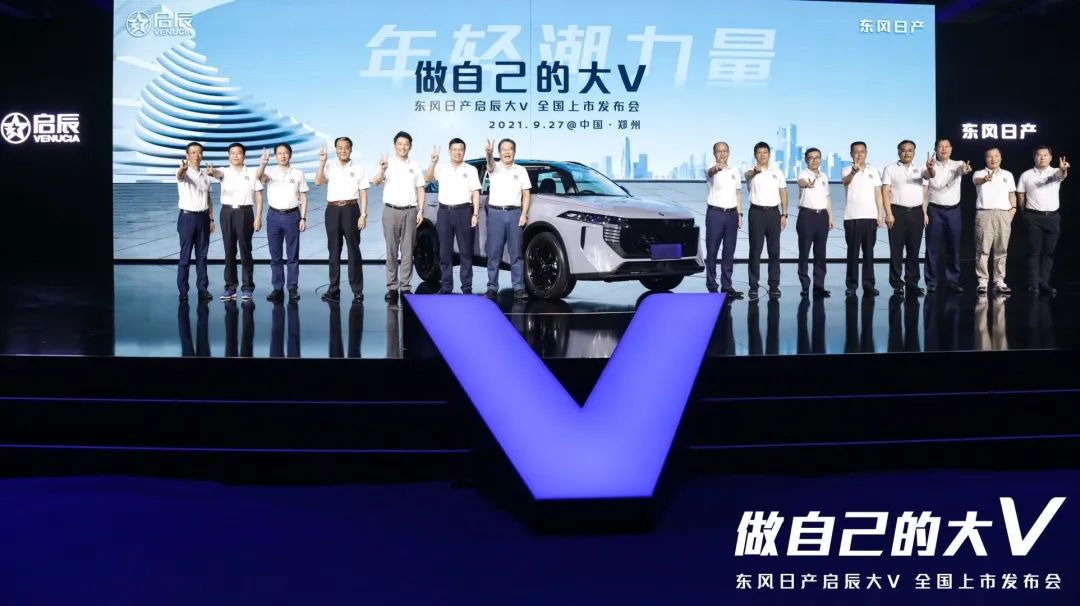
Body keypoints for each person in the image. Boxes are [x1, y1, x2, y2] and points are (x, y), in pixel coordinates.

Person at [372, 131, 426, 302]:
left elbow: (420, 189)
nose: (403, 147)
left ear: (410, 146)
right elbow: (376, 182)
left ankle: (405, 287)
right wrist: (382, 169)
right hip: (391, 211)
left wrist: (420, 210)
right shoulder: (387, 164)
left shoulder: (415, 165)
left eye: (406, 144)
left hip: (410, 211)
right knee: (391, 250)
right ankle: (392, 287)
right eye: (400, 144)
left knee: (408, 251)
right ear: (395, 145)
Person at [314, 137, 369, 303]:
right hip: (332, 210)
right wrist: (322, 162)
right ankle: (333, 289)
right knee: (333, 251)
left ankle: (357, 290)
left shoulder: (358, 168)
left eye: (346, 147)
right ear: (336, 149)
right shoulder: (329, 165)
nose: (343, 150)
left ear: (351, 149)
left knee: (353, 250)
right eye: (339, 147)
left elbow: (363, 193)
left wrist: (363, 215)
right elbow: (318, 182)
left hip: (351, 210)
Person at [207, 143, 263, 300]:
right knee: (229, 251)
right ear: (228, 156)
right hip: (227, 212)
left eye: (239, 153)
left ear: (244, 155)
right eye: (232, 153)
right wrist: (212, 171)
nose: (236, 155)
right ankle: (230, 288)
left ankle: (247, 288)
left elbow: (259, 196)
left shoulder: (252, 172)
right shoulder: (224, 172)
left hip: (245, 212)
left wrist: (258, 217)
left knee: (245, 250)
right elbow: (216, 173)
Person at [425, 138, 481, 294]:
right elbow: (428, 178)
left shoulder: (471, 170)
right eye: (455, 149)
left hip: (464, 212)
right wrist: (433, 162)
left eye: (460, 149)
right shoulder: (441, 168)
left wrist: (475, 213)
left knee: (465, 252)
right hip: (444, 212)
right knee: (444, 252)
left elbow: (476, 192)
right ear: (449, 151)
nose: (458, 152)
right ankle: (446, 286)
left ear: (464, 151)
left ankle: (467, 287)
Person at [257, 143, 309, 302]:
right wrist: (263, 164)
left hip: (292, 216)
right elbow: (259, 178)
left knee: (292, 255)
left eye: (285, 153)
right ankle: (277, 288)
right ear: (275, 156)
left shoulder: (298, 173)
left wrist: (303, 217)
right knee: (275, 256)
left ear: (290, 155)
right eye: (279, 153)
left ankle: (292, 288)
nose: (283, 156)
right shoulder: (270, 172)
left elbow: (303, 196)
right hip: (273, 216)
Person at [1017, 147, 1069, 296]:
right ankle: (1033, 284)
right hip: (1033, 217)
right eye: (1039, 155)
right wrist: (1025, 213)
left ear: (1050, 157)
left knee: (1049, 252)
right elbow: (1020, 194)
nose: (1042, 158)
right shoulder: (1026, 175)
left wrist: (1063, 170)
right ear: (1034, 157)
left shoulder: (1055, 172)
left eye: (1046, 155)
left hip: (1052, 217)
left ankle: (1044, 283)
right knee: (1034, 252)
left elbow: (1061, 175)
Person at [923, 138, 972, 294]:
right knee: (931, 248)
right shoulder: (929, 165)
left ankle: (953, 281)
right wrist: (930, 168)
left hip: (953, 211)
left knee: (954, 247)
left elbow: (963, 170)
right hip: (934, 210)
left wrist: (966, 169)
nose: (943, 149)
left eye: (946, 146)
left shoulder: (958, 164)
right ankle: (931, 282)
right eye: (940, 146)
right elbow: (928, 176)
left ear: (951, 149)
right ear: (935, 149)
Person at [484, 138, 531, 300]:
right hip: (496, 214)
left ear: (514, 152)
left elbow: (526, 194)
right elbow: (490, 164)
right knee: (493, 253)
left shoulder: (521, 170)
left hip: (515, 214)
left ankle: (519, 287)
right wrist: (488, 154)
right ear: (499, 152)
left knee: (516, 253)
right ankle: (492, 288)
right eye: (503, 149)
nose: (506, 152)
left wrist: (524, 214)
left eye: (509, 149)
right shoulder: (494, 167)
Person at [881, 140, 928, 296]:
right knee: (896, 251)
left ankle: (912, 283)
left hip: (917, 212)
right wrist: (888, 213)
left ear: (914, 152)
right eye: (904, 150)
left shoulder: (921, 169)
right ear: (898, 152)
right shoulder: (890, 168)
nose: (907, 153)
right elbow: (885, 191)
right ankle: (896, 283)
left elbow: (925, 192)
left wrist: (925, 212)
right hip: (897, 212)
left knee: (914, 250)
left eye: (910, 150)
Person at [744, 141, 788, 300]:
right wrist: (755, 172)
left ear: (769, 154)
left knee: (774, 251)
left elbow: (783, 193)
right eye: (759, 152)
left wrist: (784, 214)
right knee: (755, 250)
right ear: (755, 155)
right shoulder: (750, 171)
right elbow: (748, 176)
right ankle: (753, 286)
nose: (762, 155)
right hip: (756, 213)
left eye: (765, 152)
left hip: (774, 214)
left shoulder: (777, 172)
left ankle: (774, 285)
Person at [840, 141, 884, 298]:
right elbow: (845, 182)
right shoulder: (846, 169)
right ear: (851, 154)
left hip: (870, 217)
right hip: (852, 217)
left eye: (862, 151)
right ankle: (851, 286)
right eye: (856, 152)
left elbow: (878, 193)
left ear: (866, 153)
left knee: (869, 253)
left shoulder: (873, 171)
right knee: (852, 253)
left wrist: (880, 214)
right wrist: (853, 172)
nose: (859, 155)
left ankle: (869, 285)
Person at [972, 147, 1017, 295]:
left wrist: (1013, 209)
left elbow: (1012, 194)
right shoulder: (979, 173)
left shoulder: (1008, 175)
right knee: (982, 250)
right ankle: (982, 281)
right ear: (985, 159)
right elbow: (977, 181)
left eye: (996, 156)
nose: (993, 159)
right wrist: (986, 179)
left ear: (1000, 158)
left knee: (1001, 249)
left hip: (1003, 214)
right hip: (984, 213)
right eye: (990, 157)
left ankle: (999, 281)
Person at [175, 142, 215, 302]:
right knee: (185, 256)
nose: (196, 156)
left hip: (203, 218)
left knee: (202, 256)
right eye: (193, 152)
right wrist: (182, 170)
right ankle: (183, 291)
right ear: (187, 155)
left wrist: (211, 218)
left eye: (199, 152)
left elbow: (209, 199)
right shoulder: (184, 172)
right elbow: (179, 176)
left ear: (202, 155)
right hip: (187, 218)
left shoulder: (206, 176)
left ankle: (203, 289)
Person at [703, 141, 744, 299]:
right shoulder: (709, 167)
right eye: (719, 151)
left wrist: (740, 214)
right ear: (714, 153)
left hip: (732, 214)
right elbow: (711, 172)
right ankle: (712, 285)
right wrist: (717, 168)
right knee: (712, 250)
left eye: (725, 151)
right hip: (715, 214)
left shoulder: (734, 170)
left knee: (729, 251)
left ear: (729, 152)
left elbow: (738, 193)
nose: (722, 153)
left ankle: (727, 286)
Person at [796, 148, 834, 298]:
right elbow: (801, 183)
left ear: (820, 159)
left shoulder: (824, 176)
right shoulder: (803, 174)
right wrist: (807, 184)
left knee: (820, 253)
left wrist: (830, 217)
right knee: (804, 252)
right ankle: (805, 286)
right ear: (806, 160)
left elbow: (827, 197)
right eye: (811, 158)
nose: (814, 160)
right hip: (807, 216)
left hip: (822, 216)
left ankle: (819, 286)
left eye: (817, 157)